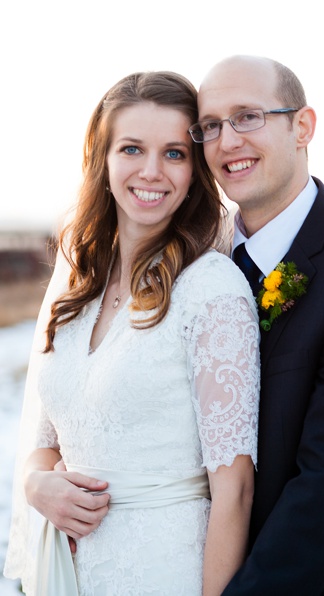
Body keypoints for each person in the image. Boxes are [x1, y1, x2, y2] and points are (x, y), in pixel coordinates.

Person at [4, 71, 261, 595]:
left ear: (195, 170)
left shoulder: (211, 290)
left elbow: (233, 490)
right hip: (68, 571)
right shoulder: (79, 285)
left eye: (173, 153)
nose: (152, 171)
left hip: (166, 570)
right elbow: (45, 440)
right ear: (102, 159)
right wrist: (37, 485)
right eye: (131, 149)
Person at [192, 55, 324, 594]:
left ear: (302, 126)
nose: (226, 140)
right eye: (210, 125)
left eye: (247, 116)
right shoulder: (197, 266)